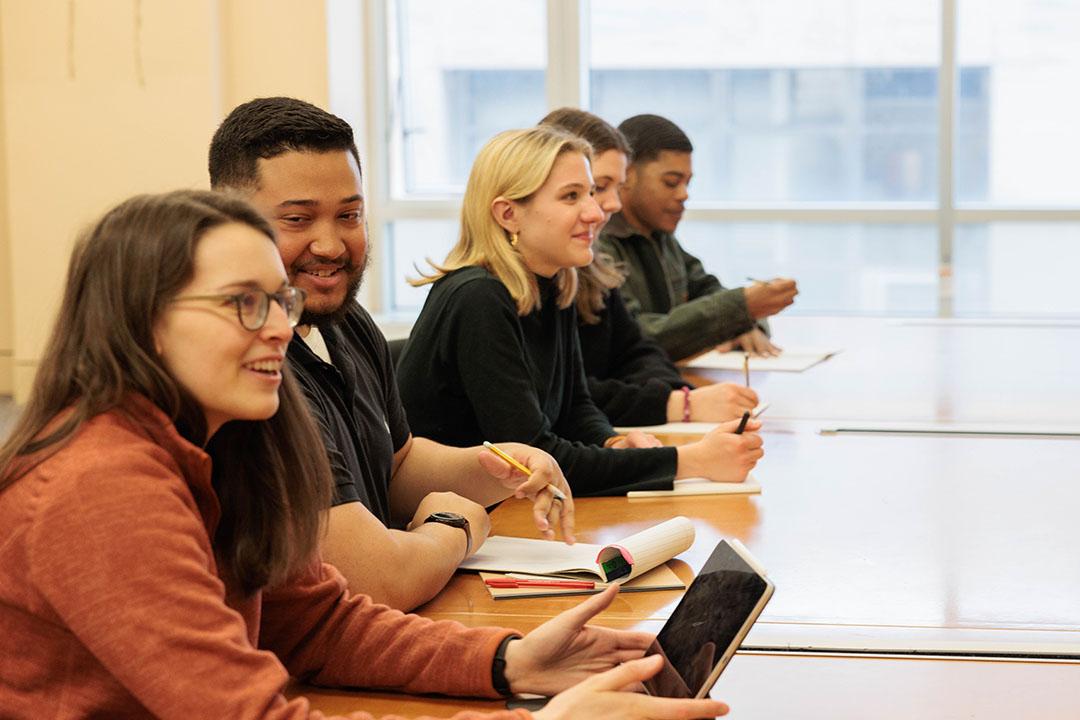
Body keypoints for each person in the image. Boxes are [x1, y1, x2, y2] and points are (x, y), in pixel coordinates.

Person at [0, 190, 730, 720]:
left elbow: (317, 625)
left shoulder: (230, 446)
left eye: (278, 302)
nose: (278, 329)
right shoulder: (100, 486)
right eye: (241, 304)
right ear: (141, 324)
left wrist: (508, 661)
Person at [209, 97, 575, 612]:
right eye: (298, 219)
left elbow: (396, 464)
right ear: (230, 222)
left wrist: (495, 466)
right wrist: (455, 525)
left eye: (349, 215)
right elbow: (378, 580)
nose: (332, 245)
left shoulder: (346, 322)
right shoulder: (256, 366)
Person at [397, 126, 763, 496]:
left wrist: (611, 443)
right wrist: (691, 461)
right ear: (509, 214)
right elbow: (537, 459)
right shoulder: (478, 298)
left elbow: (574, 408)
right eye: (572, 196)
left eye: (590, 192)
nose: (595, 212)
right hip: (458, 518)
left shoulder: (555, 280)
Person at [540, 107, 759, 427]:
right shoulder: (505, 290)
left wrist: (682, 396)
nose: (613, 204)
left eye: (613, 187)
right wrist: (679, 405)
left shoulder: (587, 267)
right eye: (595, 189)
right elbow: (563, 399)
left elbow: (636, 350)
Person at [598, 113, 799, 362]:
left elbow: (709, 290)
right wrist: (741, 308)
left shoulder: (660, 236)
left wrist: (748, 325)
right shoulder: (598, 244)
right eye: (671, 182)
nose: (684, 195)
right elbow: (636, 336)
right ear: (626, 176)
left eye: (688, 183)